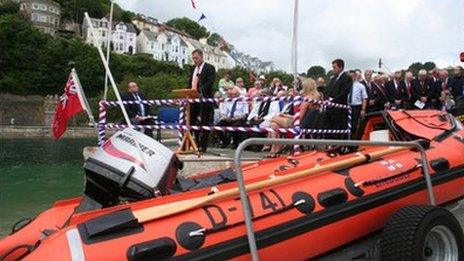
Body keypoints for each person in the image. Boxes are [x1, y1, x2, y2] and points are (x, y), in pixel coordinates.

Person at [189, 49, 216, 152]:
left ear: (201, 56)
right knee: (191, 122)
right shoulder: (193, 69)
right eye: (193, 58)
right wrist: (188, 92)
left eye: (196, 58)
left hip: (205, 99)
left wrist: (200, 91)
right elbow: (190, 82)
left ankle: (203, 146)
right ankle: (191, 143)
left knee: (204, 122)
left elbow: (210, 82)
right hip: (193, 99)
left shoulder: (209, 68)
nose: (195, 60)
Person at [324, 59, 352, 139]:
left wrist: (333, 100)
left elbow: (344, 92)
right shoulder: (333, 79)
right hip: (330, 108)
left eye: (334, 67)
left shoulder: (347, 78)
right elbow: (327, 90)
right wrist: (327, 99)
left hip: (339, 109)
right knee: (329, 128)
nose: (333, 69)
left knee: (338, 129)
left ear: (340, 67)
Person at [267, 91, 295, 157]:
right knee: (273, 125)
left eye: (291, 96)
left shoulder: (295, 104)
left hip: (291, 121)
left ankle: (273, 146)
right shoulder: (286, 104)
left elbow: (295, 116)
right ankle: (273, 149)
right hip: (283, 120)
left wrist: (284, 115)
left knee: (273, 119)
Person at [348, 71, 368, 136]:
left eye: (352, 76)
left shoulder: (361, 86)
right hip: (347, 106)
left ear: (355, 76)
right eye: (349, 77)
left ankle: (353, 138)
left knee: (354, 124)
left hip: (356, 106)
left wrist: (363, 109)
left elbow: (364, 98)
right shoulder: (346, 85)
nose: (351, 78)